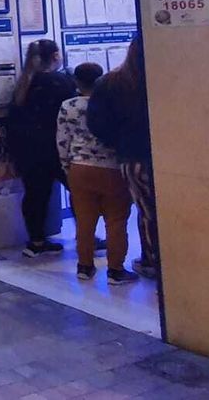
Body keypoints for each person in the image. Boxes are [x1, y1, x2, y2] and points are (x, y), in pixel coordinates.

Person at [56, 63, 137, 284]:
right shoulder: (113, 104)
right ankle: (115, 271)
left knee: (84, 221)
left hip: (79, 168)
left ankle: (84, 266)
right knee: (116, 221)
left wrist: (67, 167)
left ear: (77, 82)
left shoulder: (68, 105)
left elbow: (63, 140)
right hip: (112, 169)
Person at [86, 38, 159, 278]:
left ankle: (152, 260)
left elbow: (97, 124)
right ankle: (164, 260)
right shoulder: (165, 80)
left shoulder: (111, 82)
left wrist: (118, 143)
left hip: (133, 156)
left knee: (147, 212)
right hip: (166, 156)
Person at [8, 39, 76, 256]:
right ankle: (86, 236)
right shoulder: (60, 82)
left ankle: (36, 241)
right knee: (80, 192)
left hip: (29, 151)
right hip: (58, 148)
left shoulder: (23, 85)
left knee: (35, 196)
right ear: (56, 56)